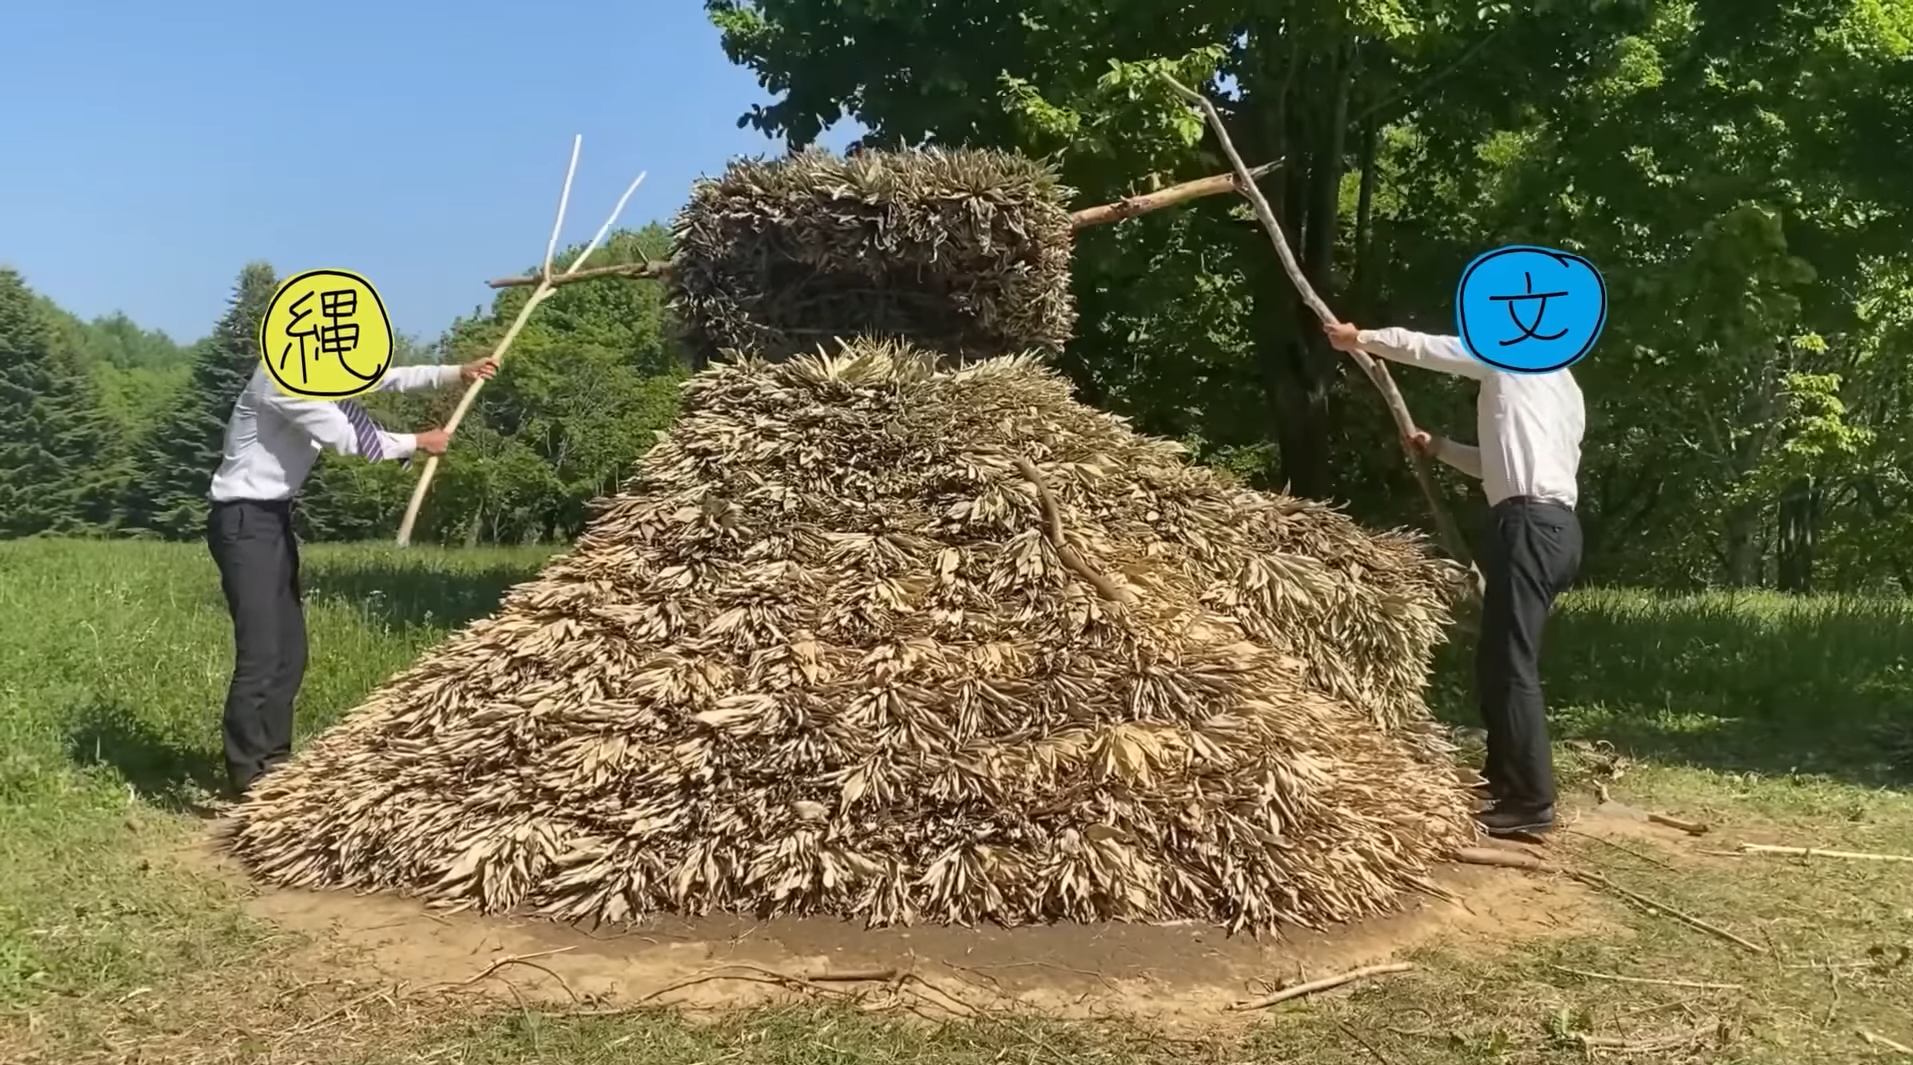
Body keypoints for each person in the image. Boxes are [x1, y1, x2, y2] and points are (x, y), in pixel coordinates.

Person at [1323, 320, 1584, 837]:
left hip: (1531, 524)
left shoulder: (1518, 359)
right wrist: (1439, 448)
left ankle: (1530, 801)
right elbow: (1499, 463)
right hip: (1550, 526)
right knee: (1498, 658)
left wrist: (1362, 338)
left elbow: (1433, 348)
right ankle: (1504, 783)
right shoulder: (1563, 390)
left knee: (1511, 663)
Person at [205, 357, 497, 797]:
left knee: (289, 652)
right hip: (244, 520)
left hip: (272, 520)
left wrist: (458, 372)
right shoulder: (282, 380)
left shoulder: (312, 369)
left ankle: (276, 769)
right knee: (263, 653)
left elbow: (383, 376)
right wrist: (419, 441)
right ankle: (248, 777)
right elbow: (344, 437)